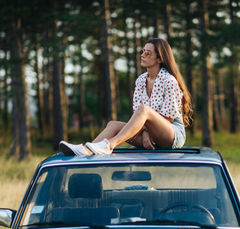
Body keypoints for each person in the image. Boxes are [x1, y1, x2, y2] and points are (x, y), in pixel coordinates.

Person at [59, 38, 193, 156]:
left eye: (147, 53)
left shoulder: (169, 80)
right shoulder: (141, 80)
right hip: (151, 137)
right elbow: (138, 117)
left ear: (159, 58)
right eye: (142, 51)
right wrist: (145, 133)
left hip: (172, 135)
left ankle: (109, 145)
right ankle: (86, 151)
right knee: (113, 125)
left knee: (144, 110)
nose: (142, 55)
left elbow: (168, 117)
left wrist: (147, 132)